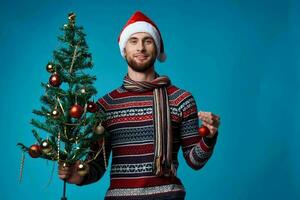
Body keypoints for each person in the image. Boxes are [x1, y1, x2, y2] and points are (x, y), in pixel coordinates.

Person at [58, 11, 221, 200]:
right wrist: (76, 175)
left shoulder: (181, 99)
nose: (141, 48)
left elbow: (195, 161)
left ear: (157, 48)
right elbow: (97, 165)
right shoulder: (105, 105)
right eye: (133, 41)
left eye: (148, 41)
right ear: (124, 50)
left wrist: (209, 137)